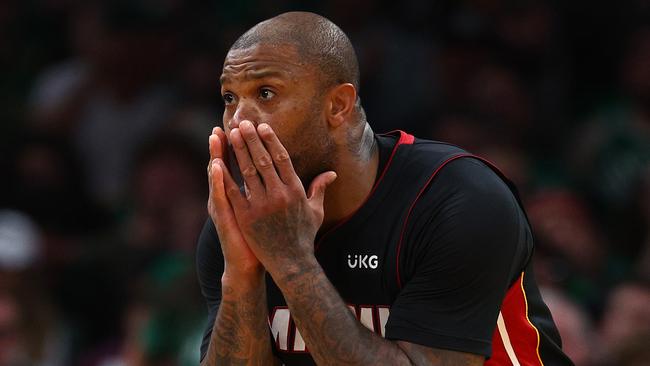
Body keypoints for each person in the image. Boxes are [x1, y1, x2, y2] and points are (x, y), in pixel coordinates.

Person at [196, 11, 572, 365]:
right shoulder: (242, 219)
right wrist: (242, 273)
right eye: (230, 98)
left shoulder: (458, 199)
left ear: (338, 105)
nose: (238, 121)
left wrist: (290, 262)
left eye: (265, 93)